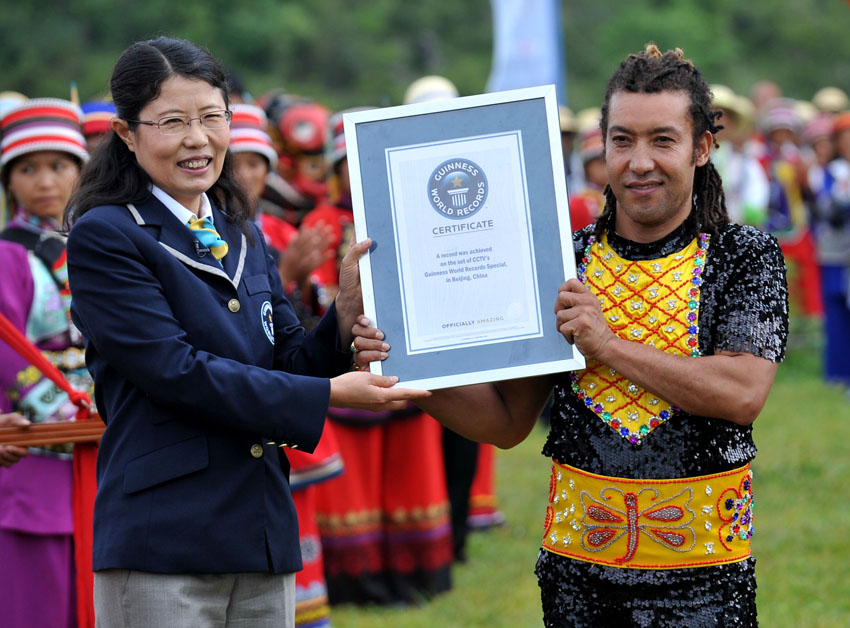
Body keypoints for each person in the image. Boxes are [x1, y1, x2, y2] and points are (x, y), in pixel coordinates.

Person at [355, 44, 789, 625]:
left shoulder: (746, 256)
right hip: (577, 581)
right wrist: (401, 363)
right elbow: (507, 422)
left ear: (702, 147)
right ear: (602, 145)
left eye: (662, 140)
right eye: (622, 140)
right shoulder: (560, 261)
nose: (639, 161)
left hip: (707, 582)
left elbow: (741, 393)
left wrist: (608, 348)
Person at [62, 37, 427, 628]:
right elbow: (175, 374)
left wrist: (342, 313)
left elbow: (287, 361)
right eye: (172, 122)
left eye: (211, 117)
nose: (197, 139)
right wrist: (330, 395)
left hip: (260, 533)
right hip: (165, 542)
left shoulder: (240, 231)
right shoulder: (106, 237)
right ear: (126, 134)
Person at [308, 108, 454, 604]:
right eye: (349, 161)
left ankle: (411, 575)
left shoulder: (413, 213)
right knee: (355, 486)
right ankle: (359, 582)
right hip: (347, 372)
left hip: (405, 358)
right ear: (334, 168)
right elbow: (316, 299)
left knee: (407, 477)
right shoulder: (325, 224)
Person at [0, 98, 91, 628]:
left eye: (59, 166)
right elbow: (7, 346)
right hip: (39, 439)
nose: (45, 181)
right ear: (9, 182)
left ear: (82, 172)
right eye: (28, 169)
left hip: (97, 436)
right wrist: (72, 409)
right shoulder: (9, 254)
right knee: (38, 597)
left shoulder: (93, 243)